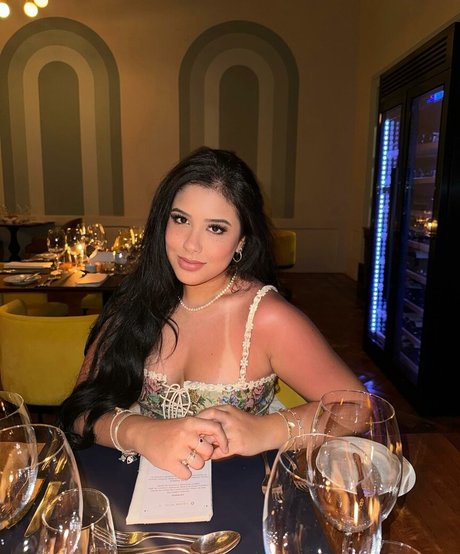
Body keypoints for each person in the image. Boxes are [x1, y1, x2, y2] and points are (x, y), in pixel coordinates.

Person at [59, 146, 364, 479]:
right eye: (181, 219)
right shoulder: (135, 300)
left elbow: (358, 408)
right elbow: (80, 410)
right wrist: (140, 433)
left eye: (216, 228)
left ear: (241, 241)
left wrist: (266, 429)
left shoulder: (266, 317)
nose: (191, 244)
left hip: (240, 494)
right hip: (140, 492)